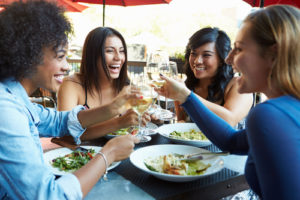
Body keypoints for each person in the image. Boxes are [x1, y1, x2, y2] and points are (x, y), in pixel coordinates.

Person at [156, 5, 300, 199]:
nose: (229, 59)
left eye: (238, 49)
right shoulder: (289, 107)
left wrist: (187, 97)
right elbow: (231, 141)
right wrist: (186, 97)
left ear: (272, 56)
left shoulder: (268, 114)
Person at [0, 1, 140, 199]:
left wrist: (115, 107)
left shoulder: (14, 96)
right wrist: (108, 154)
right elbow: (48, 196)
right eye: (60, 56)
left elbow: (60, 121)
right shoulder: (5, 110)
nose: (67, 67)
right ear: (29, 55)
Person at [57, 27, 149, 140]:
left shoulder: (125, 86)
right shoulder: (71, 84)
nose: (118, 57)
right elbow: (66, 136)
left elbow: (133, 124)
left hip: (120, 151)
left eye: (121, 51)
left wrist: (145, 117)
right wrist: (118, 123)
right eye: (110, 51)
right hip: (84, 155)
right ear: (93, 55)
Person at [175, 27, 253, 128]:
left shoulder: (240, 85)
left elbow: (229, 120)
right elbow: (181, 125)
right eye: (193, 54)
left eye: (206, 55)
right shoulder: (187, 86)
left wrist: (187, 95)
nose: (197, 61)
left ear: (222, 59)